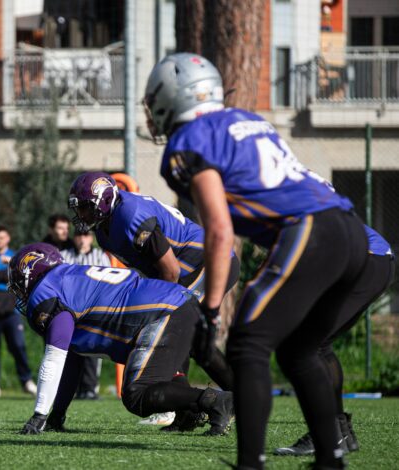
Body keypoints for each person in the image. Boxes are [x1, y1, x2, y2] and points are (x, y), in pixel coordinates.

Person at [147, 52, 368, 469]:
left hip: (309, 230)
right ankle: (330, 460)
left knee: (248, 342)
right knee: (299, 351)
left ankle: (251, 463)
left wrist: (210, 309)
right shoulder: (246, 120)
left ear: (169, 98)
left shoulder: (189, 140)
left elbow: (218, 229)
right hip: (351, 230)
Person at [68, 171, 239, 431]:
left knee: (178, 331)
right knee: (182, 337)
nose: (81, 214)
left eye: (86, 207)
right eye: (78, 208)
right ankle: (189, 410)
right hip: (186, 270)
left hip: (210, 262)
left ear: (104, 202)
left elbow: (169, 270)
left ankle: (238, 398)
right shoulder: (105, 231)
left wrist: (161, 312)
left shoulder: (130, 215)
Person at [9, 243, 233, 436]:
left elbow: (54, 358)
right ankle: (231, 401)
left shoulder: (47, 292)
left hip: (160, 311)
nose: (20, 292)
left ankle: (216, 401)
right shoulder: (69, 280)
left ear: (31, 275)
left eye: (19, 283)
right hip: (177, 302)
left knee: (137, 393)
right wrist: (56, 416)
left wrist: (39, 415)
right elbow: (70, 361)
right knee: (190, 361)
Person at [274, 225, 395, 456]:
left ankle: (327, 434)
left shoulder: (278, 202)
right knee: (319, 343)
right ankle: (341, 433)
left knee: (309, 345)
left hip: (365, 261)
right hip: (375, 259)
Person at [0, 226, 37, 398]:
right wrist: (7, 279)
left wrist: (8, 268)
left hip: (12, 312)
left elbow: (20, 278)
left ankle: (26, 381)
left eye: (2, 237)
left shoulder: (16, 257)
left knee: (18, 346)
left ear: (8, 238)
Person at [59, 228, 111, 400]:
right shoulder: (64, 255)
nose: (82, 239)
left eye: (86, 235)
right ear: (74, 238)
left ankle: (89, 388)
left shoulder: (100, 256)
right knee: (70, 349)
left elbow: (108, 281)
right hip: (70, 308)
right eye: (79, 235)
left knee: (91, 348)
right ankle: (71, 388)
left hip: (93, 308)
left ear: (91, 238)